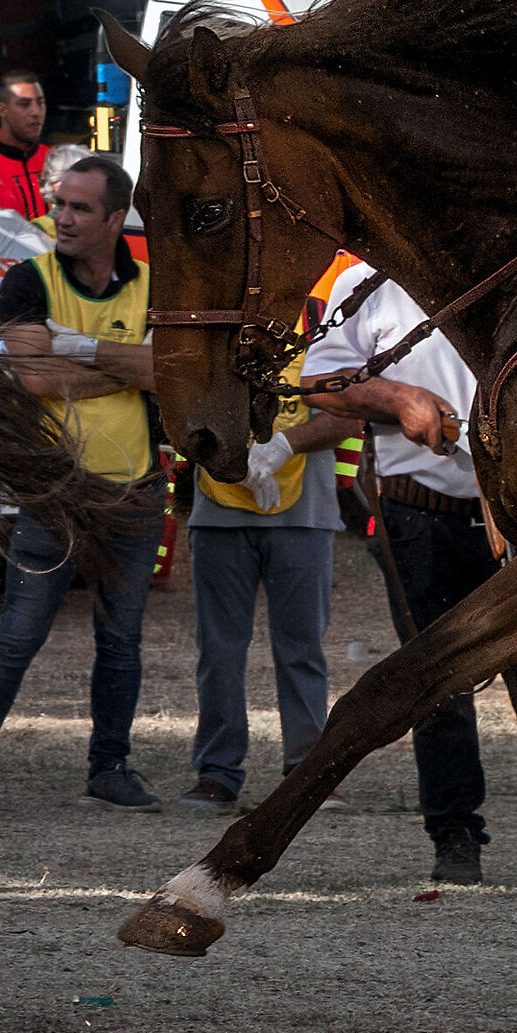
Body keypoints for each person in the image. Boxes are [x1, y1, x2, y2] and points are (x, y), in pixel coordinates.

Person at [300, 264, 517, 885]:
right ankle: (454, 838)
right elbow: (321, 381)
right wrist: (397, 399)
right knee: (437, 685)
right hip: (418, 512)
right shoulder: (367, 281)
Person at [0, 154, 165, 816]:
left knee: (121, 640)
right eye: (60, 203)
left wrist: (75, 349)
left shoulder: (152, 285)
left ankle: (109, 767)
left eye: (81, 208)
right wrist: (122, 367)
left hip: (135, 492)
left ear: (117, 219)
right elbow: (34, 377)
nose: (62, 217)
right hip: (56, 493)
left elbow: (169, 370)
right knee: (17, 638)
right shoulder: (28, 278)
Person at [179, 255, 366, 813]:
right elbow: (183, 406)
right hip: (219, 510)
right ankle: (216, 774)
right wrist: (230, 457)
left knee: (302, 649)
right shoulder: (214, 331)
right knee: (218, 651)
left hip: (304, 514)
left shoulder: (325, 324)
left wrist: (284, 445)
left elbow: (350, 415)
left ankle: (306, 775)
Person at [0, 70, 50, 221]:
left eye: (40, 103)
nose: (36, 112)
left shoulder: (53, 158)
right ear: (2, 110)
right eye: (24, 104)